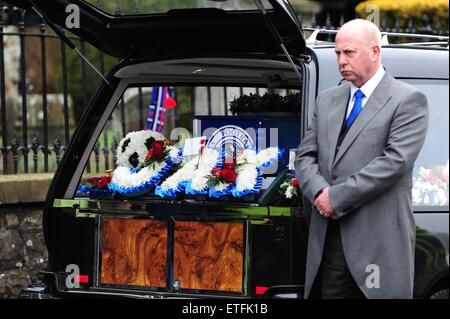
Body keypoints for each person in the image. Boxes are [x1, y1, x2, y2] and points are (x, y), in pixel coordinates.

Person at [295, 19, 429, 299]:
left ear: (375, 51)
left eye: (349, 53)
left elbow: (394, 162)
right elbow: (306, 156)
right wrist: (320, 192)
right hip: (330, 246)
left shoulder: (408, 100)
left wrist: (337, 197)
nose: (341, 61)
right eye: (337, 53)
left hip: (378, 247)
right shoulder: (326, 100)